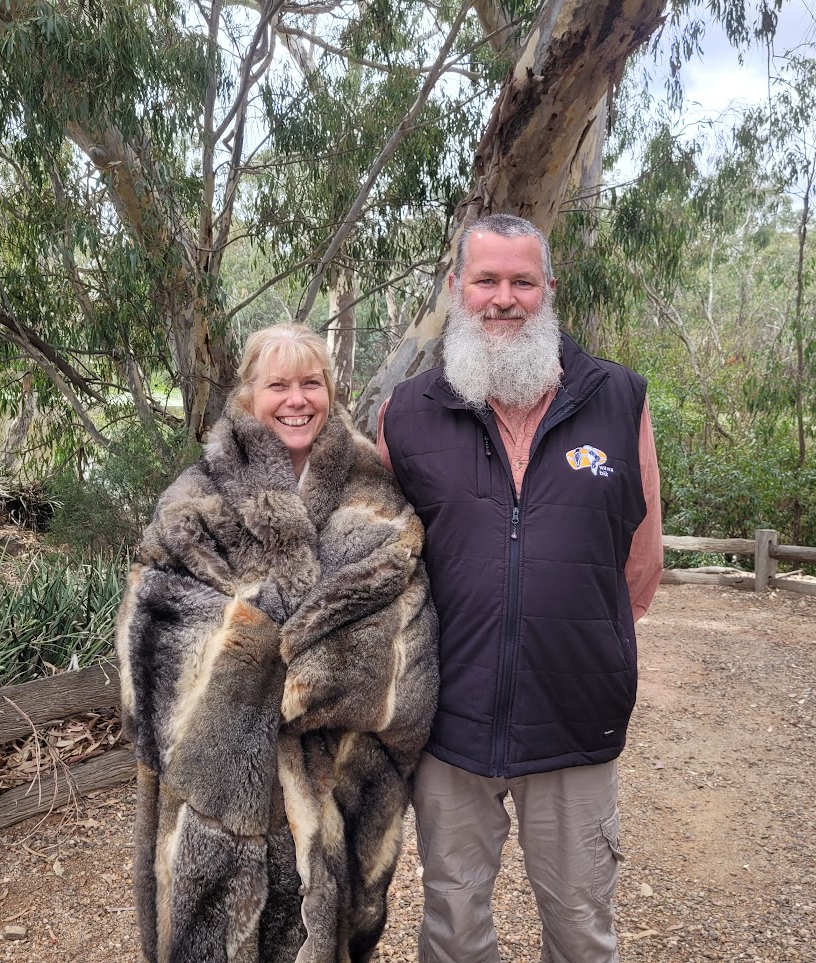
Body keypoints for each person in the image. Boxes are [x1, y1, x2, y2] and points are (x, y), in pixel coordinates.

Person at [376, 214, 663, 963]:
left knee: (579, 928)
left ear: (549, 290)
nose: (504, 298)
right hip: (449, 722)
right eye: (486, 280)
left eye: (521, 281)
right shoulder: (406, 413)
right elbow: (380, 566)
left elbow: (639, 568)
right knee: (454, 925)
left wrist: (564, 634)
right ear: (455, 290)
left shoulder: (619, 400)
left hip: (575, 720)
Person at [117, 323, 439, 963]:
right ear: (248, 395)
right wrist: (261, 660)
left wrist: (298, 679)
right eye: (278, 385)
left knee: (323, 931)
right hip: (214, 785)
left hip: (339, 780)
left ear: (331, 390)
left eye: (311, 382)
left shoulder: (376, 495)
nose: (298, 400)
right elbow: (150, 625)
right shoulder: (196, 496)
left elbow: (406, 634)